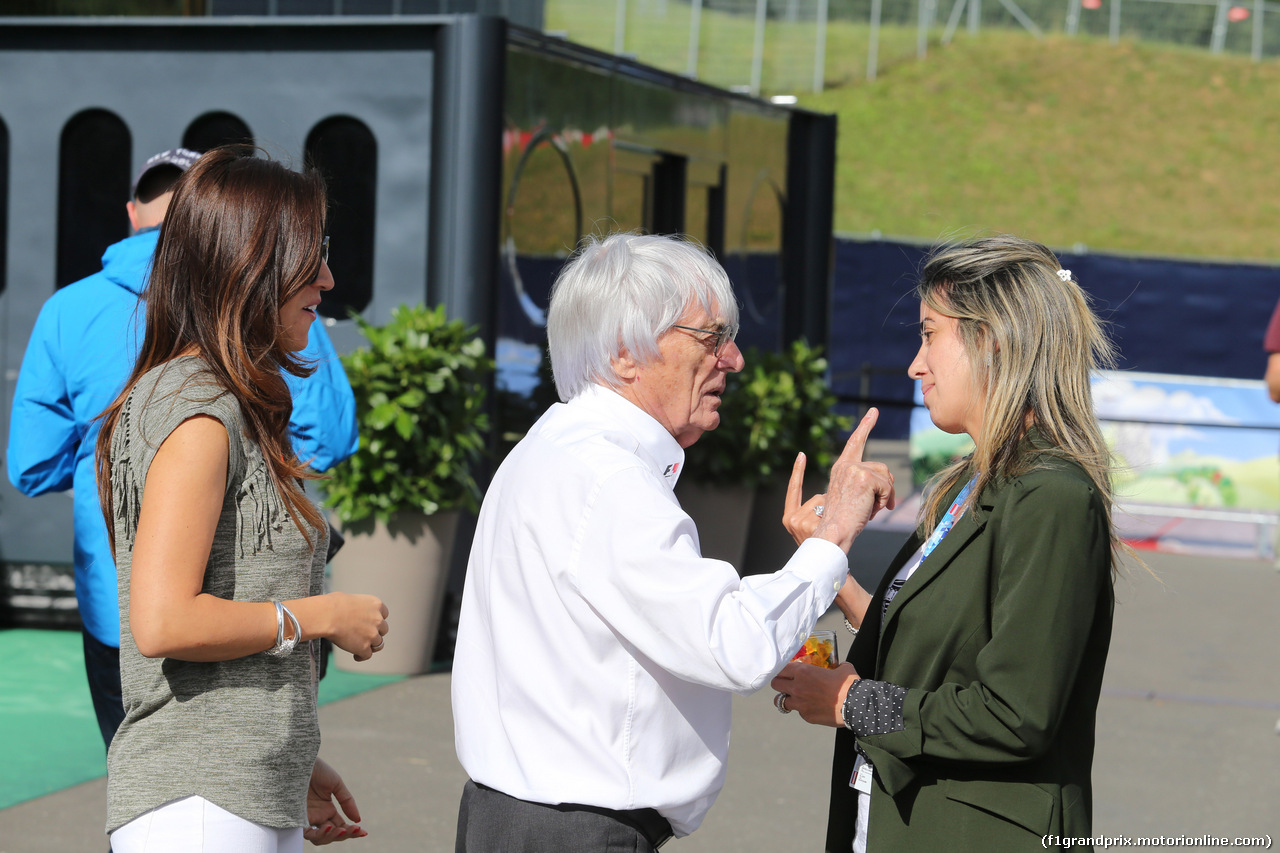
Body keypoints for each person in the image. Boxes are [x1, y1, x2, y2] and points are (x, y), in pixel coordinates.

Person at [451, 232, 897, 851]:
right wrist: (835, 533)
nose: (734, 358)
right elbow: (733, 644)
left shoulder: (566, 448)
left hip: (541, 821)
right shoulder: (606, 477)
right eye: (711, 338)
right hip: (574, 830)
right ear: (624, 354)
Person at [770, 235, 1123, 851]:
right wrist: (826, 556)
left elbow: (1016, 714)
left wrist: (855, 703)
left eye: (929, 334)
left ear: (990, 340)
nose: (916, 363)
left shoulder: (1053, 497)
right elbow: (942, 634)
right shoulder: (969, 482)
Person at [6, 148, 358, 750]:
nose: (324, 279)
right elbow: (328, 441)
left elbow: (32, 465)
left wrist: (116, 462)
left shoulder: (70, 309)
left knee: (141, 771)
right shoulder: (255, 335)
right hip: (252, 617)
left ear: (132, 211)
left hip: (111, 598)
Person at [93, 145, 386, 851]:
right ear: (250, 266)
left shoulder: (212, 398)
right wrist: (324, 615)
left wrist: (291, 758)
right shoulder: (199, 410)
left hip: (229, 794)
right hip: (199, 803)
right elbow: (164, 620)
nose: (327, 277)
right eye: (308, 257)